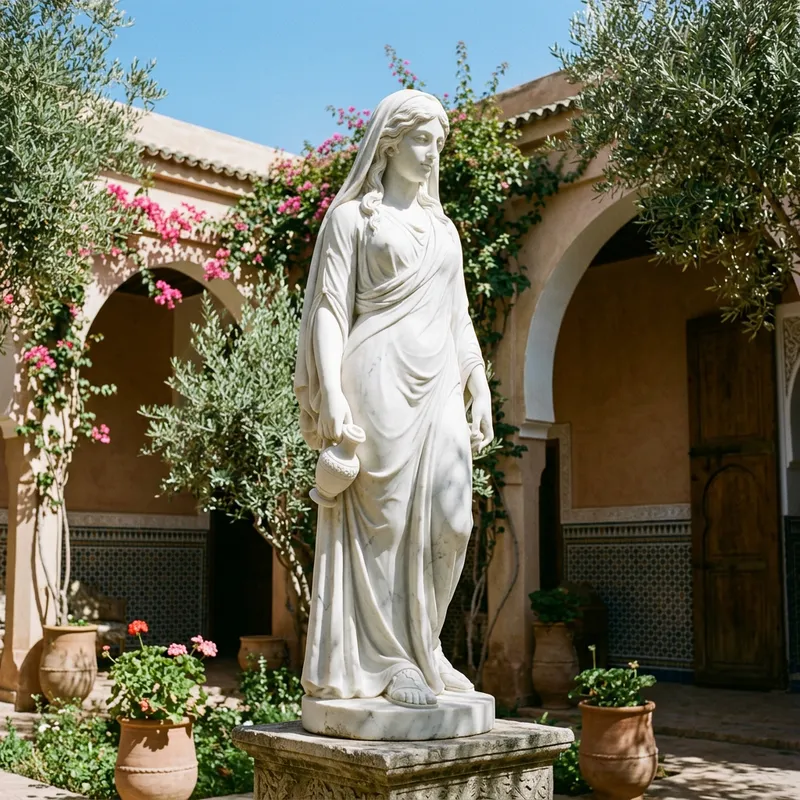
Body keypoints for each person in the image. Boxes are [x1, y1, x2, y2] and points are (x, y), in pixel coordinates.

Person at [295, 88, 494, 709]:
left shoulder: (445, 230)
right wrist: (332, 393)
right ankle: (389, 660)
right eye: (421, 140)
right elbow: (330, 310)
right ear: (389, 143)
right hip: (375, 376)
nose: (433, 153)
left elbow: (459, 315)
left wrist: (478, 382)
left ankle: (426, 644)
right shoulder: (352, 220)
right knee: (384, 525)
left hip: (439, 383)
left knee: (453, 522)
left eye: (439, 142)